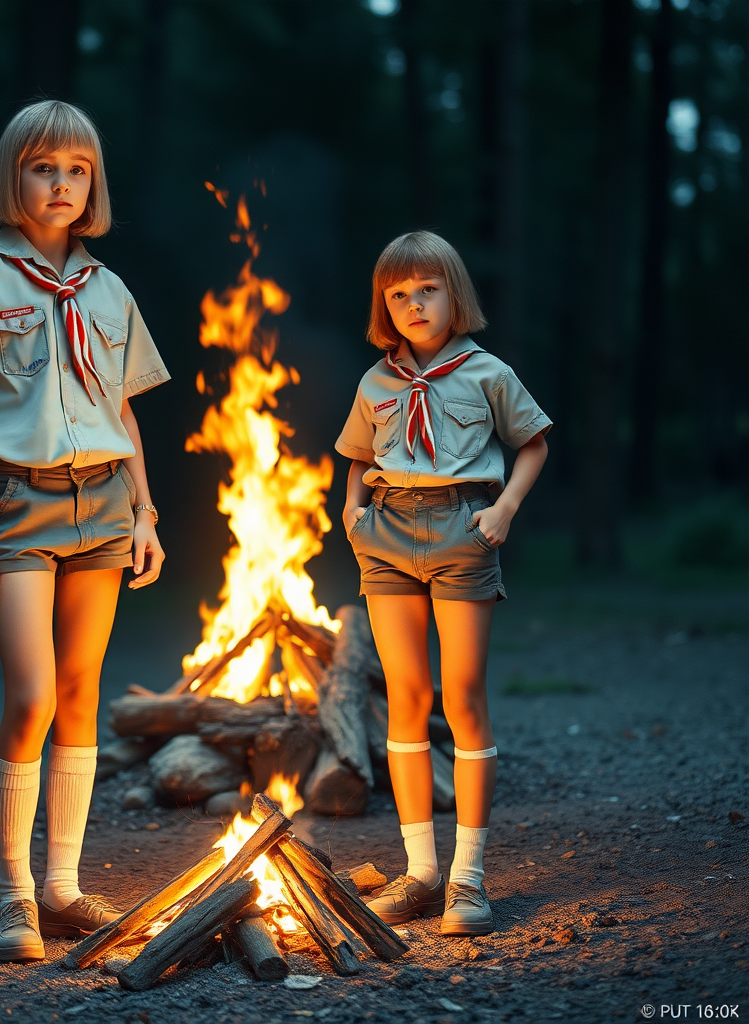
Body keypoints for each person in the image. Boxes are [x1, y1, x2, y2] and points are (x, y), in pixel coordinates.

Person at [0, 100, 169, 964]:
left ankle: (61, 886)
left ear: (93, 183)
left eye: (76, 170)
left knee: (83, 691)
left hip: (102, 503)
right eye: (42, 167)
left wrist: (146, 511)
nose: (60, 185)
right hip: (15, 505)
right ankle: (13, 895)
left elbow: (123, 407)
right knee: (32, 695)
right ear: (11, 177)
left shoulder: (108, 290)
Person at [335, 231, 550, 936]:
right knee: (406, 694)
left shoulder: (486, 373)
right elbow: (356, 454)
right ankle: (421, 871)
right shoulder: (377, 382)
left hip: (465, 529)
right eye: (398, 294)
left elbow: (533, 443)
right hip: (389, 535)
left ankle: (469, 880)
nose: (413, 303)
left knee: (461, 695)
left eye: (427, 288)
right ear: (384, 305)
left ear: (453, 294)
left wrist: (504, 511)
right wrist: (352, 512)